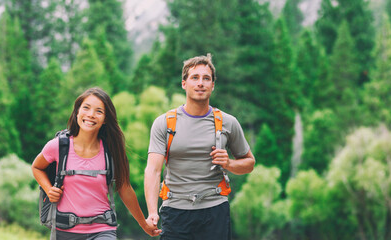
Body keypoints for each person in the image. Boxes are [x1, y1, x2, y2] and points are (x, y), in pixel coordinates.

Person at [144, 54, 256, 239]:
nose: (200, 83)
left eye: (206, 78)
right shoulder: (164, 123)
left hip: (214, 210)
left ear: (213, 85)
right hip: (175, 211)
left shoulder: (228, 122)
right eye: (194, 77)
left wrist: (229, 164)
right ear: (184, 83)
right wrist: (152, 211)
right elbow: (153, 171)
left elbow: (249, 163)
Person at [32, 87, 161, 239]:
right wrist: (49, 189)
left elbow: (124, 187)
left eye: (99, 111)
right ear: (77, 112)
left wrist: (143, 224)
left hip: (102, 230)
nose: (91, 115)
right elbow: (37, 167)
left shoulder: (112, 150)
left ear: (106, 118)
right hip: (65, 231)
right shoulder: (58, 146)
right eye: (86, 108)